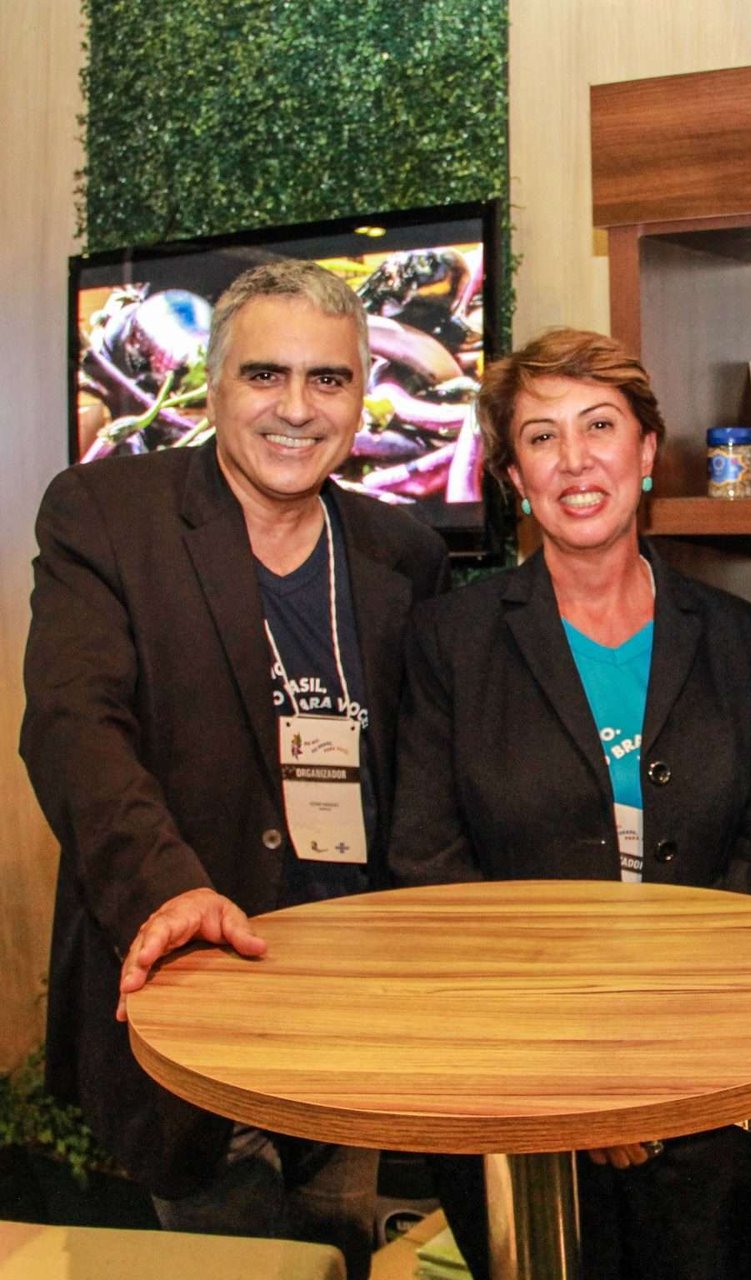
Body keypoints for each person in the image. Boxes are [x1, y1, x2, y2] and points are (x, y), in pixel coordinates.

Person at [21, 260, 451, 1278]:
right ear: (212, 386)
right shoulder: (105, 513)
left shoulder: (402, 554)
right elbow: (75, 725)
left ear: (362, 394)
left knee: (337, 1250)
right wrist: (172, 893)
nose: (297, 409)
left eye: (329, 380)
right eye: (265, 375)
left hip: (352, 1011)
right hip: (200, 998)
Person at [387, 326, 751, 1280]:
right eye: (541, 436)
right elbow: (428, 873)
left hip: (701, 1090)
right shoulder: (451, 643)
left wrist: (652, 1065)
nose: (575, 460)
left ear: (648, 451)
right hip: (518, 1098)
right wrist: (578, 1074)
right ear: (510, 475)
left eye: (601, 425)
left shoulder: (742, 640)